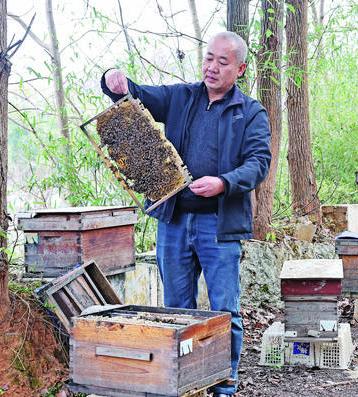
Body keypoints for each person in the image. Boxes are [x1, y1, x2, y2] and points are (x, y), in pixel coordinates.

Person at [101, 31, 271, 396]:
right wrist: (114, 80)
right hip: (175, 221)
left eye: (222, 62)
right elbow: (138, 94)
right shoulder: (181, 97)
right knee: (177, 310)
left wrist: (223, 182)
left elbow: (259, 163)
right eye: (208, 58)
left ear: (239, 69)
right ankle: (186, 384)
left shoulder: (251, 112)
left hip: (220, 225)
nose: (211, 67)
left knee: (226, 311)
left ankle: (225, 385)